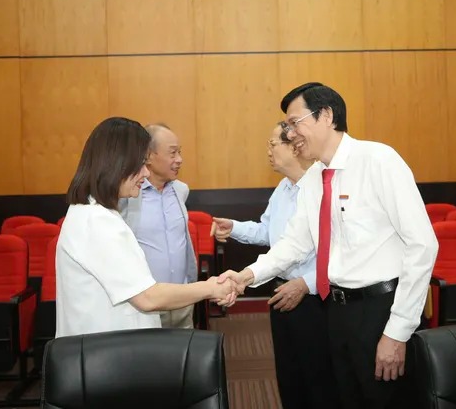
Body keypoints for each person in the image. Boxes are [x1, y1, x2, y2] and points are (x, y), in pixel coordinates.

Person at [219, 83, 439, 409]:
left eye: (295, 123)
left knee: (387, 401)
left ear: (326, 115)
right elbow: (293, 244)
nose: (290, 134)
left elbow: (423, 245)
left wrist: (397, 331)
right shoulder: (314, 179)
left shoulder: (378, 160)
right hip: (336, 312)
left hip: (381, 311)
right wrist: (245, 276)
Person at [55, 117, 235, 338]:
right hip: (104, 350)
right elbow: (147, 297)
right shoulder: (98, 222)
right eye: (140, 163)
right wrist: (211, 288)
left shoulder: (94, 213)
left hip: (111, 345)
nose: (146, 172)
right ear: (118, 163)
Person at [211, 122, 339, 409]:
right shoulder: (283, 188)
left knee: (319, 378)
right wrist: (234, 228)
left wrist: (305, 284)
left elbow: (336, 250)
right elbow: (268, 232)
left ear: (295, 147)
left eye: (272, 144)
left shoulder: (322, 188)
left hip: (315, 298)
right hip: (280, 291)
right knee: (289, 374)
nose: (268, 151)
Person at [119, 124, 196, 329]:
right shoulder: (127, 196)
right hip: (145, 305)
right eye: (173, 153)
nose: (179, 159)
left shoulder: (181, 190)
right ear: (148, 156)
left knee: (185, 349)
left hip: (182, 300)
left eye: (180, 152)